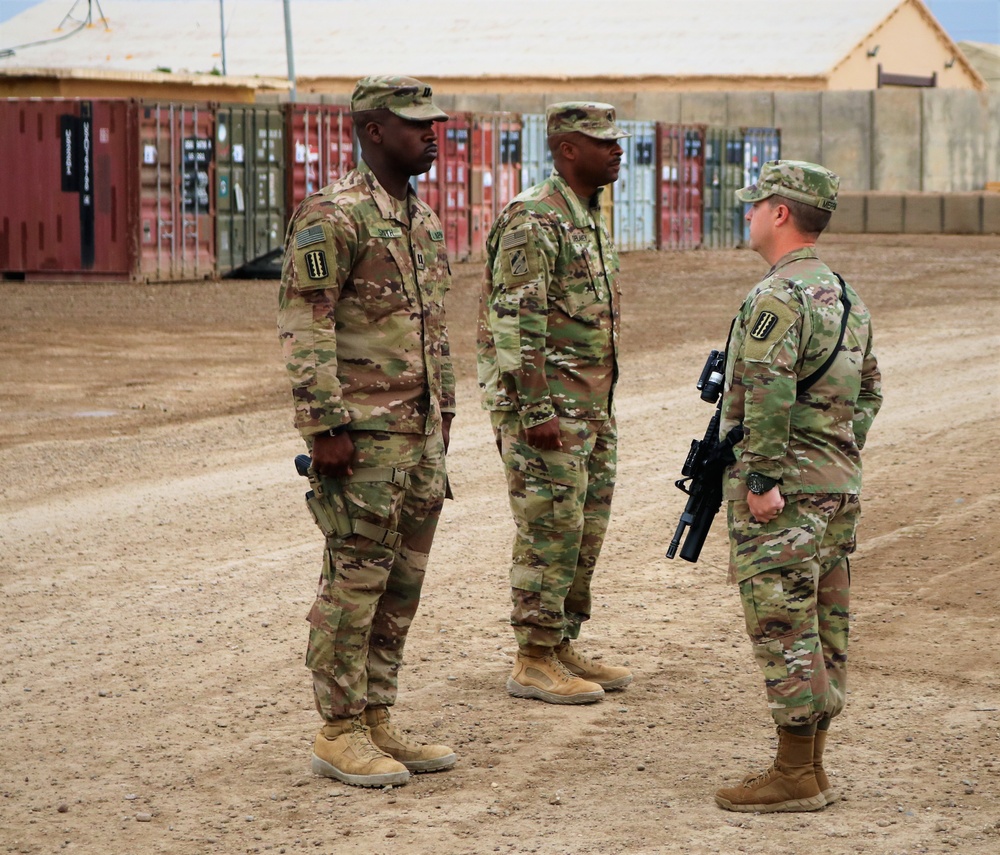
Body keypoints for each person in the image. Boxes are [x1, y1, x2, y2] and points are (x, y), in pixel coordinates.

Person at [277, 75, 458, 788]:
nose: (432, 134)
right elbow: (305, 323)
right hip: (363, 438)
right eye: (416, 125)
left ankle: (377, 716)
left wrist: (444, 414)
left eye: (435, 122)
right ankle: (338, 727)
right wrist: (324, 425)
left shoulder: (421, 219)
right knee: (353, 581)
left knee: (400, 585)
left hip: (417, 439)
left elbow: (432, 331)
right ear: (374, 131)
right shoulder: (333, 216)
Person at [713, 160, 883, 812]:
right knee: (824, 622)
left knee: (783, 624)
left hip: (783, 493)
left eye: (755, 202)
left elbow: (768, 393)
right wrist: (835, 453)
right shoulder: (845, 296)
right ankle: (812, 767)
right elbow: (869, 392)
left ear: (780, 212)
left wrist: (762, 476)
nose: (748, 212)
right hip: (835, 488)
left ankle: (791, 772)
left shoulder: (776, 297)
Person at [477, 102, 633, 705]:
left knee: (583, 529)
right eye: (603, 142)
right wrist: (536, 412)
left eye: (617, 141)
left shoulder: (587, 218)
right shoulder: (534, 219)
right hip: (548, 412)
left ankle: (562, 642)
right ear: (568, 149)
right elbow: (517, 323)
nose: (617, 151)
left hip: (590, 407)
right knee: (550, 528)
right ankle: (533, 657)